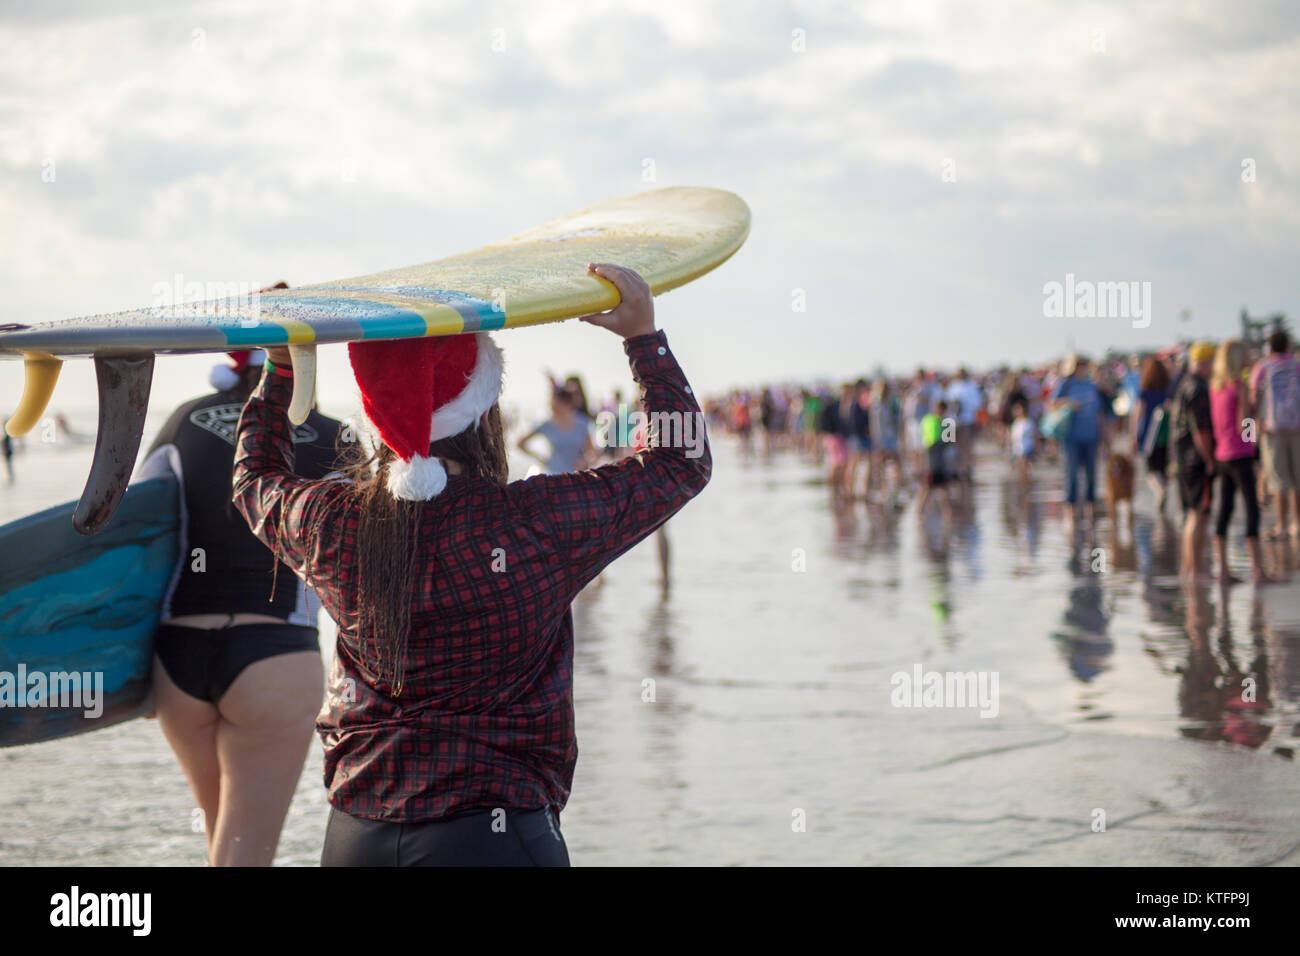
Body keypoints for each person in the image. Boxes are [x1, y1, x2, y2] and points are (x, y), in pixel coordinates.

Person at [232, 263, 710, 866]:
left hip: (357, 835)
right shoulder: (533, 522)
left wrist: (281, 365)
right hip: (495, 834)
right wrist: (644, 340)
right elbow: (678, 462)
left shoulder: (331, 523)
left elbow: (253, 478)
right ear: (484, 411)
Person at [136, 343, 344, 866]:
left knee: (222, 847)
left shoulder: (184, 420)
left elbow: (132, 534)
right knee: (243, 858)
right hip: (274, 656)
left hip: (176, 658)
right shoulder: (335, 435)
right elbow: (364, 562)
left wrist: (123, 667)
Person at [1209, 340, 1271, 584]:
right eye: (1245, 352)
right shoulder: (1240, 386)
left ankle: (1222, 569)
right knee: (1252, 510)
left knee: (1224, 509)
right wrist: (1254, 447)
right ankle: (1258, 571)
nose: (1249, 355)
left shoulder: (1216, 387)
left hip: (1222, 453)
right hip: (1240, 454)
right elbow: (1243, 424)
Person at [1171, 342, 1217, 579]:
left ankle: (1189, 567)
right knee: (1197, 514)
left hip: (1181, 457)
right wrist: (1209, 458)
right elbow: (1201, 430)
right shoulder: (1198, 388)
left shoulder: (1183, 383)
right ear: (1205, 363)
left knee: (1191, 513)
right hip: (1194, 458)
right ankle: (1195, 569)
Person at [1250, 329, 1300, 539]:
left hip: (1272, 429)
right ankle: (1297, 523)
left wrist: (1251, 431)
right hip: (1297, 427)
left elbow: (1254, 399)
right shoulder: (1296, 365)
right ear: (1287, 345)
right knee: (1298, 477)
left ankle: (1281, 525)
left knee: (1278, 479)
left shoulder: (1262, 367)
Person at [1050, 354, 1107, 531]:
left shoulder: (1091, 385)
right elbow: (1052, 404)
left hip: (1091, 435)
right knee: (1072, 473)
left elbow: (1099, 412)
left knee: (1091, 473)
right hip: (1071, 437)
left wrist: (1104, 436)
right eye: (1079, 366)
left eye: (1084, 366)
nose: (1082, 369)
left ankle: (1090, 508)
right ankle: (1071, 509)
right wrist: (1068, 402)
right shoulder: (1066, 385)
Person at [517, 387, 594, 474]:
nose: (552, 406)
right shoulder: (546, 424)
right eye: (552, 403)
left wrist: (585, 461)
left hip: (575, 476)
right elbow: (520, 443)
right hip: (552, 474)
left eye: (556, 403)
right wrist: (540, 458)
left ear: (567, 404)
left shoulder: (582, 423)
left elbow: (591, 451)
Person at [1131, 355, 1172, 512]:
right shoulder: (1166, 391)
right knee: (1162, 466)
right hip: (1164, 434)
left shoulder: (1144, 392)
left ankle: (1159, 491)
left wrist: (1134, 436)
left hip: (1149, 434)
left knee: (1150, 470)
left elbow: (1137, 414)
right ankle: (1163, 491)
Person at [916, 399, 955, 531]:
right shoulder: (932, 421)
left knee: (942, 489)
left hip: (940, 462)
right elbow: (929, 443)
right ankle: (919, 513)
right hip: (933, 460)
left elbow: (950, 443)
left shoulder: (946, 422)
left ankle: (947, 515)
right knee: (927, 489)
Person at [1009, 400, 1036, 488]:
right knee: (1019, 470)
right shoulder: (1015, 423)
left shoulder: (1028, 422)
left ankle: (1025, 486)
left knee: (1024, 469)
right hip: (1017, 449)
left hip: (1026, 448)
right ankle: (1022, 486)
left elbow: (1033, 436)